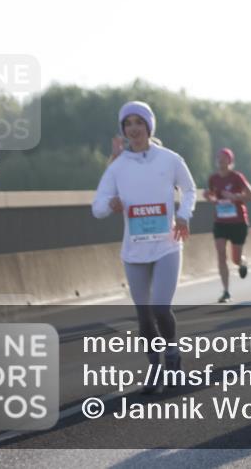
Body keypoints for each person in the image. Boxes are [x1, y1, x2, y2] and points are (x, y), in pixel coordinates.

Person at [92, 101, 196, 394]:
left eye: (139, 122)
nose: (134, 128)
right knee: (143, 313)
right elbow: (97, 205)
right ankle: (154, 367)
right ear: (123, 130)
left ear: (149, 126)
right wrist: (109, 205)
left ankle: (173, 358)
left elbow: (189, 189)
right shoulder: (118, 166)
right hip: (134, 249)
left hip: (167, 245)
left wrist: (184, 215)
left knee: (161, 307)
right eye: (128, 124)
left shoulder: (170, 159)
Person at [205, 147, 251, 302]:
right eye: (218, 157)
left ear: (230, 161)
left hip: (238, 221)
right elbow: (213, 196)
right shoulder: (213, 178)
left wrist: (235, 196)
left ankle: (242, 262)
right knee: (220, 253)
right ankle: (226, 291)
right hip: (221, 221)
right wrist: (209, 197)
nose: (220, 160)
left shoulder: (236, 177)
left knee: (235, 258)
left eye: (224, 158)